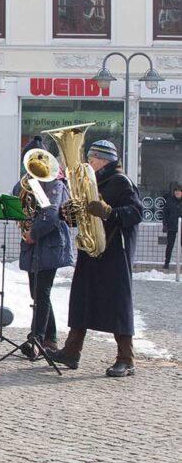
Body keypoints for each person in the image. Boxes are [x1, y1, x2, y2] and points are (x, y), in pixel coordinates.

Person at [46, 140, 143, 377]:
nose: (88, 162)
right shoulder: (90, 183)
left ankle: (126, 358)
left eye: (92, 158)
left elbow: (136, 212)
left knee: (117, 305)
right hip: (91, 251)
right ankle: (71, 351)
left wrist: (109, 211)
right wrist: (69, 214)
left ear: (104, 160)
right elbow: (82, 218)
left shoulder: (121, 182)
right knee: (82, 299)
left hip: (114, 253)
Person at [11, 136, 74, 359]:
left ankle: (36, 339)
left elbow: (51, 215)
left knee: (41, 293)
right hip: (35, 245)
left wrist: (33, 234)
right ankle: (51, 339)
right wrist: (24, 183)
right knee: (38, 293)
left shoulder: (56, 184)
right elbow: (15, 197)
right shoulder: (32, 183)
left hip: (49, 243)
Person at [162, 182, 182, 269]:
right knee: (170, 245)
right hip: (171, 226)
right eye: (176, 192)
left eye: (179, 192)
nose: (177, 193)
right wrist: (165, 225)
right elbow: (165, 214)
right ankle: (167, 262)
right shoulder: (170, 201)